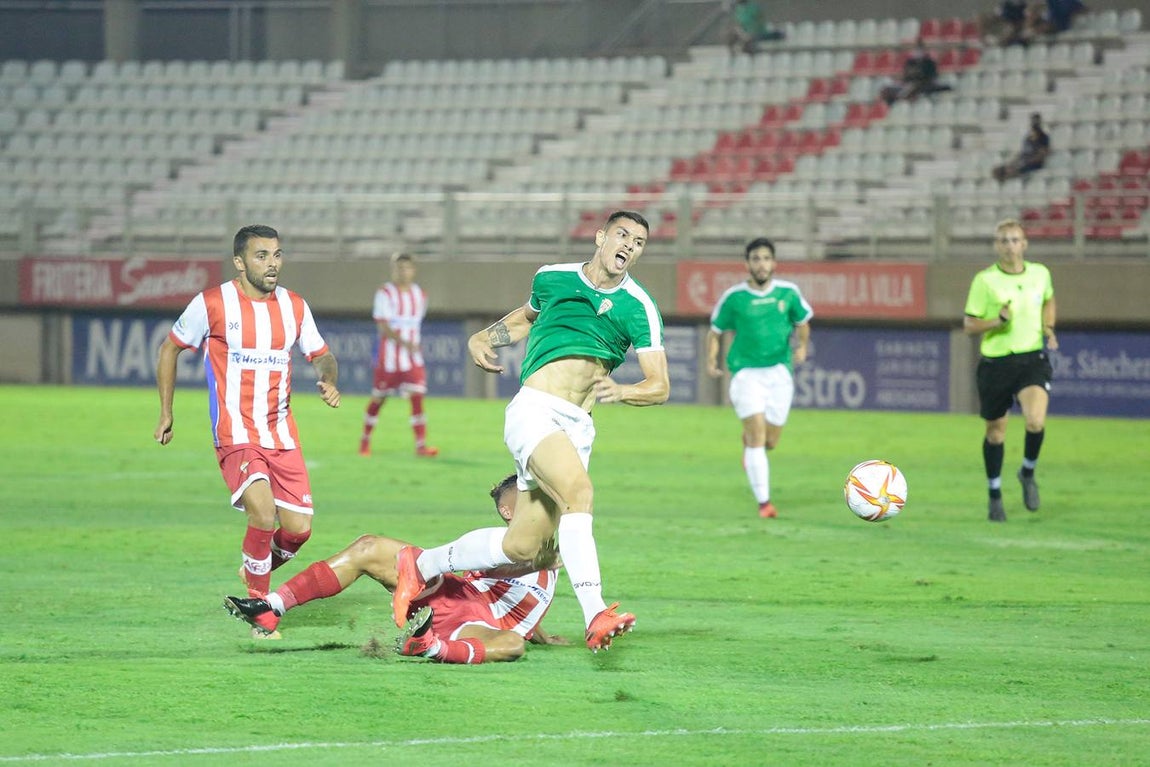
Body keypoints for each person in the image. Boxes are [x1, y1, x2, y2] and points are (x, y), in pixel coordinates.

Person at [392, 210, 670, 653]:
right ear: (601, 237)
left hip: (578, 428)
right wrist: (483, 337)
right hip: (535, 410)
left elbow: (659, 385)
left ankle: (420, 563)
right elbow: (525, 318)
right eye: (622, 235)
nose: (629, 246)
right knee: (580, 494)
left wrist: (624, 390)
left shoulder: (640, 307)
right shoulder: (553, 278)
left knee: (522, 545)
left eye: (638, 242)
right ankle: (595, 612)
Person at [154, 224, 341, 618]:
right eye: (261, 256)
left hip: (281, 433)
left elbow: (322, 354)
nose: (272, 264)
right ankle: (260, 612)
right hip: (236, 432)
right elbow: (170, 349)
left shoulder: (294, 306)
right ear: (239, 262)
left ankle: (253, 568)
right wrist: (167, 412)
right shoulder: (213, 303)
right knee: (261, 511)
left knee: (298, 531)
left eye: (277, 255)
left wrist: (328, 377)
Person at [223, 475, 570, 663]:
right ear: (511, 513)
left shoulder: (551, 546)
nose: (541, 506)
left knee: (512, 645)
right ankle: (273, 607)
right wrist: (533, 562)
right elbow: (502, 569)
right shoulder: (509, 542)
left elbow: (519, 606)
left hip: (478, 624)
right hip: (455, 593)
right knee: (368, 547)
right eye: (531, 501)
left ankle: (430, 646)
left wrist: (539, 633)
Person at [706, 237, 812, 519]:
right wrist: (712, 359)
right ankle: (764, 503)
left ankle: (750, 444)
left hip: (779, 373)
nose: (761, 264)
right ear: (747, 264)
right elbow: (715, 330)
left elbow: (802, 323)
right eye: (756, 259)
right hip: (745, 373)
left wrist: (802, 346)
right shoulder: (735, 298)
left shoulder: (788, 293)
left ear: (774, 263)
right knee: (757, 437)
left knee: (771, 441)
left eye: (766, 258)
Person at [962, 218, 1058, 523]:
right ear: (996, 246)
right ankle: (995, 495)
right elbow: (969, 325)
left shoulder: (1040, 273)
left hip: (1031, 360)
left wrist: (1048, 327)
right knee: (995, 433)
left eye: (1015, 239)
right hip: (996, 363)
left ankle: (1027, 471)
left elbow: (1049, 299)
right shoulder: (985, 280)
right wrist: (997, 321)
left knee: (1035, 420)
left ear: (1024, 244)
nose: (1009, 245)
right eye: (1003, 240)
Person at [358, 252, 438, 458]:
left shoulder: (420, 294)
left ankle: (421, 446)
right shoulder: (385, 293)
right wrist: (404, 343)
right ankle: (365, 441)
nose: (402, 272)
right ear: (393, 270)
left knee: (418, 397)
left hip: (412, 358)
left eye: (406, 268)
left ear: (413, 270)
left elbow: (416, 324)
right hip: (390, 358)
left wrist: (411, 345)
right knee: (379, 398)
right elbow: (383, 326)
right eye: (398, 268)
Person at [880, 40, 952, 106]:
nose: (917, 52)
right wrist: (900, 79)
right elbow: (906, 75)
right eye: (916, 49)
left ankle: (903, 98)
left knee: (914, 87)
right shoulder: (910, 62)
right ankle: (893, 104)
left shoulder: (929, 62)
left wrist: (920, 77)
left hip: (924, 83)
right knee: (887, 88)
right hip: (909, 83)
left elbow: (932, 76)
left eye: (919, 49)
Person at [993, 112, 1051, 183]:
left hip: (1034, 164)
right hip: (1024, 161)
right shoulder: (1028, 138)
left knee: (1017, 168)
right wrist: (1013, 162)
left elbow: (1042, 154)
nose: (1034, 123)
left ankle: (1008, 176)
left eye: (1036, 121)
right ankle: (1004, 174)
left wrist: (1027, 161)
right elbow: (1022, 152)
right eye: (1033, 121)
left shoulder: (1043, 137)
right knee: (1007, 166)